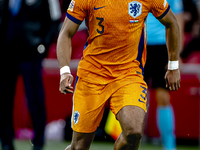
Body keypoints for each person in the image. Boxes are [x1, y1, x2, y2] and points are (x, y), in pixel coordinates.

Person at [57, 0, 181, 149]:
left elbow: (172, 22)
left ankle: (169, 145)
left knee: (133, 132)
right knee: (79, 146)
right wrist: (64, 71)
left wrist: (173, 65)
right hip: (92, 74)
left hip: (128, 74)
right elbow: (66, 33)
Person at [0, 0, 61, 150]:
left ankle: (38, 143)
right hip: (8, 52)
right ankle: (6, 142)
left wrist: (42, 46)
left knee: (35, 100)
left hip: (31, 53)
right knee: (4, 99)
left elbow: (55, 21)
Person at [144, 0, 183, 150]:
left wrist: (175, 56)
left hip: (162, 47)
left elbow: (177, 20)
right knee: (133, 97)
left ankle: (169, 145)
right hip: (139, 45)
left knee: (163, 97)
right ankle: (127, 142)